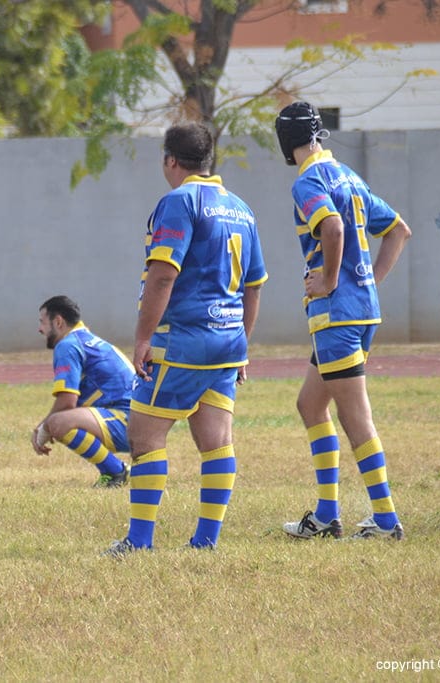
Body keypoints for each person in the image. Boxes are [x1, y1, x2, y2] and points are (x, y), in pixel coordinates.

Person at [105, 123, 267, 555]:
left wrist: (142, 338)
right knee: (215, 439)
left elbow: (163, 274)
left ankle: (139, 542)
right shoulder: (241, 208)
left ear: (170, 160)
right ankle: (205, 541)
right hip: (227, 340)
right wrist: (241, 344)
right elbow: (254, 285)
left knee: (144, 434)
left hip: (183, 340)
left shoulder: (179, 202)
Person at [274, 101, 412, 541]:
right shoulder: (348, 176)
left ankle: (387, 521)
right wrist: (365, 282)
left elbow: (331, 229)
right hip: (361, 311)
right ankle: (326, 515)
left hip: (336, 317)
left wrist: (331, 282)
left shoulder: (309, 180)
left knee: (355, 418)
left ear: (285, 141)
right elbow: (398, 230)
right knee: (310, 405)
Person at [32, 295, 133, 488]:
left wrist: (42, 428)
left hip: (127, 422)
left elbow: (67, 402)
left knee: (57, 423)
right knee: (59, 421)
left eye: (42, 322)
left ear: (58, 321)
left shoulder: (67, 345)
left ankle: (115, 471)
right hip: (139, 421)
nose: (40, 329)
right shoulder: (87, 340)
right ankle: (114, 471)